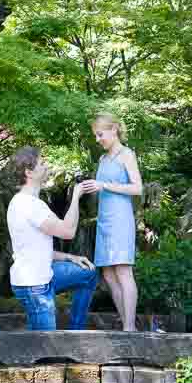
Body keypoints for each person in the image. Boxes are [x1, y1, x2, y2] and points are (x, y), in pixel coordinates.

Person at [6, 146, 98, 331]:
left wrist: (70, 257)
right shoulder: (29, 205)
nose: (46, 165)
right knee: (45, 349)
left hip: (41, 276)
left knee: (88, 273)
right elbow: (68, 231)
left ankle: (75, 331)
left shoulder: (23, 201)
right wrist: (75, 197)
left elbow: (36, 248)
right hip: (35, 286)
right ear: (29, 172)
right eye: (42, 163)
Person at [81, 113, 143, 332]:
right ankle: (127, 322)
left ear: (114, 129)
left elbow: (138, 188)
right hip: (104, 220)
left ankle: (129, 327)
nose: (98, 139)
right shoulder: (103, 159)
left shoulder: (127, 154)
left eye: (100, 134)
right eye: (95, 135)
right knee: (107, 273)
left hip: (120, 218)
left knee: (123, 271)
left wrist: (104, 185)